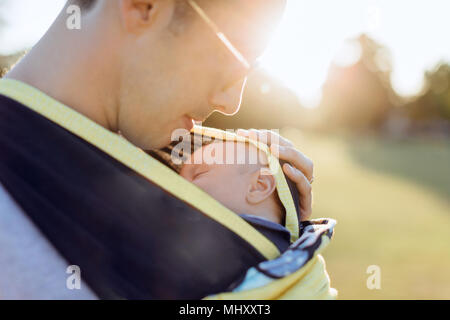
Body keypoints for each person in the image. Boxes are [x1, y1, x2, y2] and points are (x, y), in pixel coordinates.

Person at [0, 0, 318, 299]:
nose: (232, 103)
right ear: (145, 7)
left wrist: (274, 233)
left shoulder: (165, 156)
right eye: (239, 56)